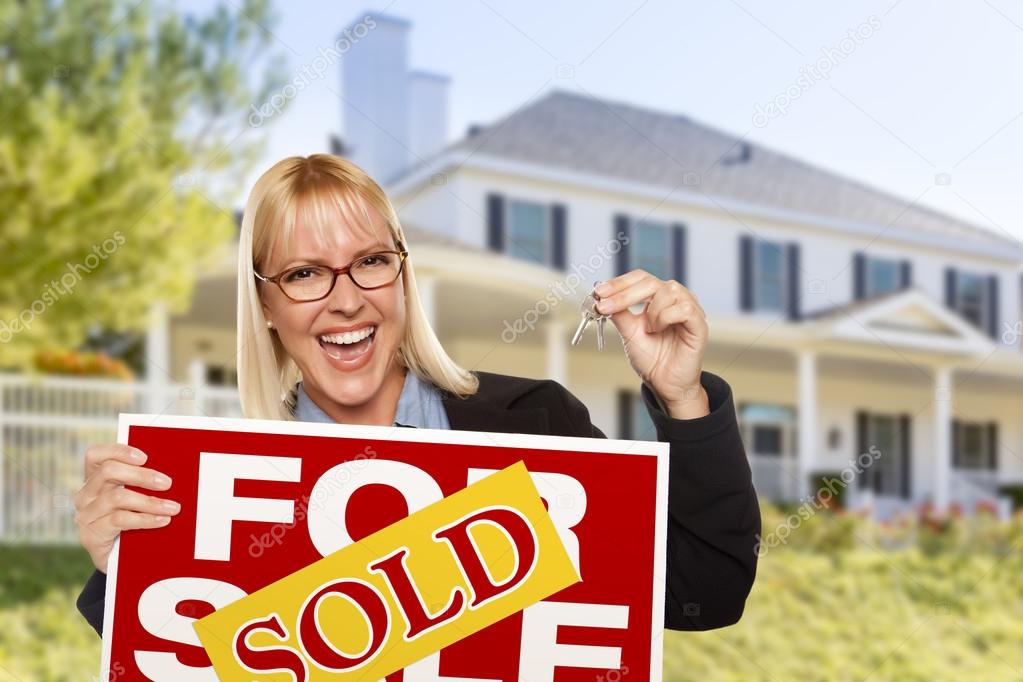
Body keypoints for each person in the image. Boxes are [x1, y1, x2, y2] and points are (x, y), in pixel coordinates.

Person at [74, 154, 760, 638]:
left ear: (402, 276)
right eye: (305, 273)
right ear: (266, 305)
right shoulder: (215, 497)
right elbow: (185, 656)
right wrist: (125, 570)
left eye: (371, 262)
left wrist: (682, 397)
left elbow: (705, 591)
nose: (346, 301)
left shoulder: (535, 424)